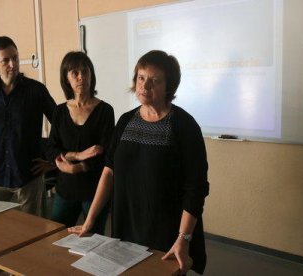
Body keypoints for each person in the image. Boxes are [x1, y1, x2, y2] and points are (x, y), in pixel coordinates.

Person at [69, 50, 209, 275]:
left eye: (155, 80)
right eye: (141, 77)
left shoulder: (184, 125)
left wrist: (184, 239)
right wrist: (90, 221)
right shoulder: (125, 121)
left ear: (169, 87)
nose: (145, 86)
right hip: (126, 226)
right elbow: (108, 172)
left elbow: (196, 188)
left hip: (167, 233)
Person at [0, 36, 56, 215]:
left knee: (28, 233)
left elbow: (60, 124)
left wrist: (52, 160)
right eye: (5, 60)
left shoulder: (36, 90)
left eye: (15, 58)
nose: (12, 64)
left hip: (28, 178)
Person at [46, 51, 115, 234]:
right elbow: (52, 147)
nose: (81, 77)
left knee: (94, 238)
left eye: (85, 71)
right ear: (66, 78)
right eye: (74, 73)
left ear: (91, 75)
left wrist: (80, 167)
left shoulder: (105, 111)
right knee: (56, 235)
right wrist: (75, 156)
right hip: (65, 189)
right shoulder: (60, 111)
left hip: (94, 190)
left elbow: (107, 153)